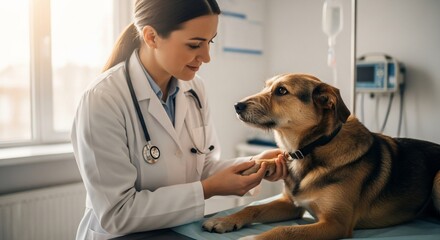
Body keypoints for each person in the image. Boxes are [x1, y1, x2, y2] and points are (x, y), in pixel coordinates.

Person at [71, 0, 287, 239]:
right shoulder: (103, 99)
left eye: (210, 42)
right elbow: (117, 213)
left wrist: (253, 164)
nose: (206, 57)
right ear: (152, 37)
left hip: (180, 231)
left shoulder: (194, 89)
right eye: (195, 44)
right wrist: (208, 190)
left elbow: (202, 165)